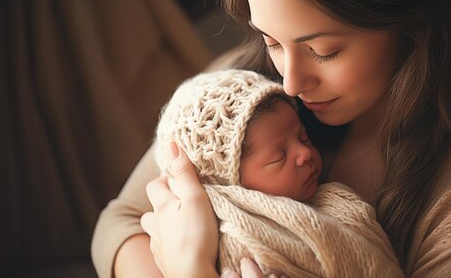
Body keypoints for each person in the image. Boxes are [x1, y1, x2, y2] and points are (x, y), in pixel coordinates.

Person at [91, 0, 451, 277]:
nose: (289, 82)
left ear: (407, 18)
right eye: (270, 41)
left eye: (323, 50)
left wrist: (190, 269)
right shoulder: (236, 92)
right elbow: (118, 222)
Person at [152, 69, 403, 277]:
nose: (304, 153)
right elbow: (118, 217)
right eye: (279, 157)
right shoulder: (235, 241)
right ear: (231, 189)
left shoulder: (338, 204)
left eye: (303, 137)